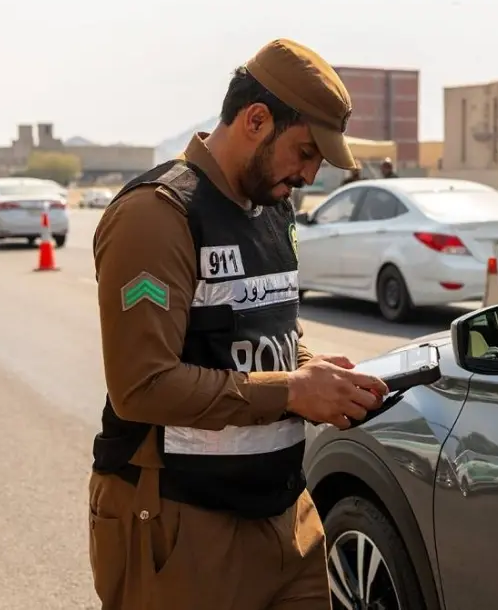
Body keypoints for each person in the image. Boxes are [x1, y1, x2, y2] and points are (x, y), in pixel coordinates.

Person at [88, 38, 389, 610]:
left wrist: (310, 367)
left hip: (285, 518)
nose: (307, 175)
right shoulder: (156, 215)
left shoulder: (273, 207)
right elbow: (141, 386)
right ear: (256, 120)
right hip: (181, 528)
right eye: (304, 153)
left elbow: (261, 330)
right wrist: (293, 390)